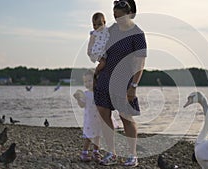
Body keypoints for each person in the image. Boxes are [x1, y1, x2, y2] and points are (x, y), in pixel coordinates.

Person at [94, 0, 147, 167]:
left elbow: (140, 64)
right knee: (104, 115)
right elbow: (102, 52)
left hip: (125, 81)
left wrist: (133, 87)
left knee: (126, 118)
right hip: (105, 78)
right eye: (115, 16)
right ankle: (111, 152)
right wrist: (96, 71)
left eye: (121, 16)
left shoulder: (137, 34)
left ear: (129, 14)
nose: (117, 20)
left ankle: (133, 155)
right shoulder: (110, 31)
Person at [73, 69, 103, 162]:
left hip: (99, 119)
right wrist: (78, 99)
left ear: (96, 80)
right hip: (90, 119)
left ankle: (95, 152)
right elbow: (82, 105)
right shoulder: (85, 94)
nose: (87, 83)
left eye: (90, 81)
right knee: (89, 136)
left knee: (97, 135)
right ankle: (84, 152)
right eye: (85, 81)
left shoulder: (99, 93)